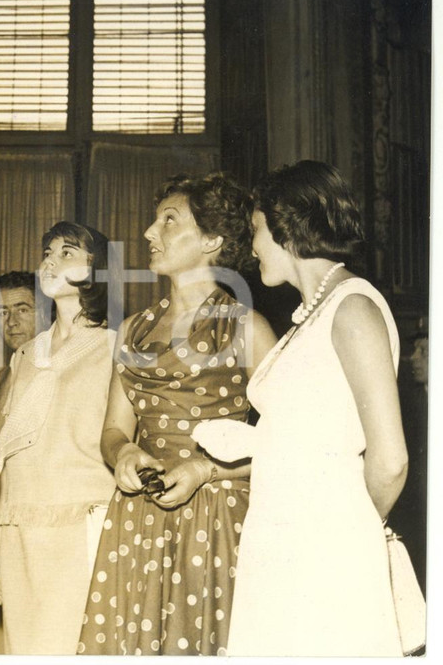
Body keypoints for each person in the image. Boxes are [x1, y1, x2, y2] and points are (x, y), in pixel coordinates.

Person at [193, 160, 408, 655]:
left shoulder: (353, 308)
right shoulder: (304, 319)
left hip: (324, 546)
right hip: (281, 536)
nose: (251, 246)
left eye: (256, 230)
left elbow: (391, 460)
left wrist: (345, 532)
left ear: (287, 226)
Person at [78, 173, 276, 656]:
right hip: (139, 518)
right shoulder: (133, 331)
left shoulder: (248, 327)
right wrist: (123, 452)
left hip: (217, 515)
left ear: (213, 240)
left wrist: (207, 469)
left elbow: (287, 442)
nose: (150, 232)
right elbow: (113, 428)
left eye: (169, 220)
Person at [0, 222, 117, 655]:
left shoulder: (116, 348)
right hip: (22, 532)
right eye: (47, 251)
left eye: (68, 252)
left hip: (82, 530)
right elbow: (12, 463)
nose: (50, 261)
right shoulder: (24, 357)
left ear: (96, 270)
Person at [0, 271, 47, 569]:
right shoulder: (0, 383)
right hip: (5, 522)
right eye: (3, 311)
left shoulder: (61, 372)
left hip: (49, 522)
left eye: (23, 310)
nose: (12, 321)